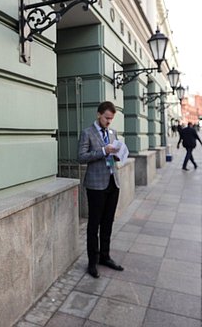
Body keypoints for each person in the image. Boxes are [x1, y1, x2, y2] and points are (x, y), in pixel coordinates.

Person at [77, 101, 124, 279]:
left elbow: (114, 153)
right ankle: (92, 261)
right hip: (96, 185)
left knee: (108, 223)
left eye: (111, 119)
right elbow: (81, 157)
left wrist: (118, 154)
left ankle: (105, 256)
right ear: (98, 114)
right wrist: (104, 150)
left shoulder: (112, 132)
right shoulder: (87, 133)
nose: (109, 122)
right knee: (93, 224)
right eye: (106, 118)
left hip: (113, 182)